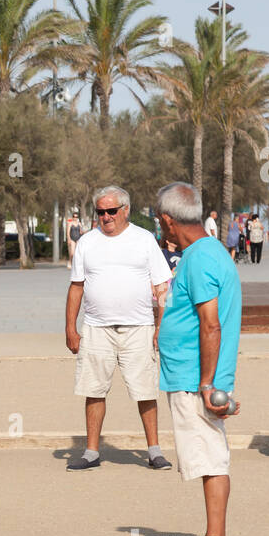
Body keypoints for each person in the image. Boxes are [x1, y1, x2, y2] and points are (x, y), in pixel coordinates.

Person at [153, 183, 242, 536]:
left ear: (170, 222)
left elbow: (211, 325)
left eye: (161, 223)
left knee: (210, 460)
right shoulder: (203, 252)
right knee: (208, 457)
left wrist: (207, 384)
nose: (161, 231)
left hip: (195, 381)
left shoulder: (201, 257)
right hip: (189, 376)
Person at [64, 186, 173, 471]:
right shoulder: (87, 242)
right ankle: (91, 452)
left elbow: (163, 285)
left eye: (111, 211)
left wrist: (161, 326)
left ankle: (154, 451)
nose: (106, 217)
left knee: (145, 390)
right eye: (100, 212)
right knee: (94, 389)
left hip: (139, 328)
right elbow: (76, 287)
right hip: (96, 329)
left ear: (125, 210)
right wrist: (70, 329)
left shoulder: (144, 239)